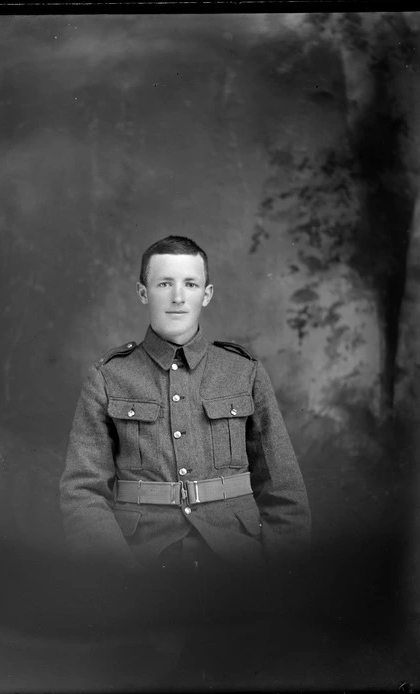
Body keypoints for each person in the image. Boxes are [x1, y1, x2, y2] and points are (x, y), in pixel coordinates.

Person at [59, 235, 311, 620]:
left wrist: (278, 575)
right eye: (164, 284)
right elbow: (82, 491)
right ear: (143, 293)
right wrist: (118, 573)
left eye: (190, 284)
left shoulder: (243, 372)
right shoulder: (109, 377)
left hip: (238, 566)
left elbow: (283, 487)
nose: (178, 297)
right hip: (144, 566)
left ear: (206, 294)